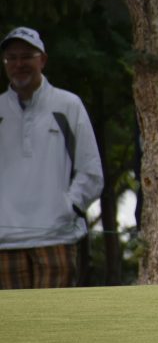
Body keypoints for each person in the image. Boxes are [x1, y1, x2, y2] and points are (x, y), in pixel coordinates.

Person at [0, 27, 104, 289]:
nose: (19, 64)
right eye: (11, 58)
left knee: (55, 325)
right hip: (5, 240)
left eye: (26, 56)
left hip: (56, 238)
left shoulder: (68, 105)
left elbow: (90, 170)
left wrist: (66, 208)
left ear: (42, 60)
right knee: (13, 328)